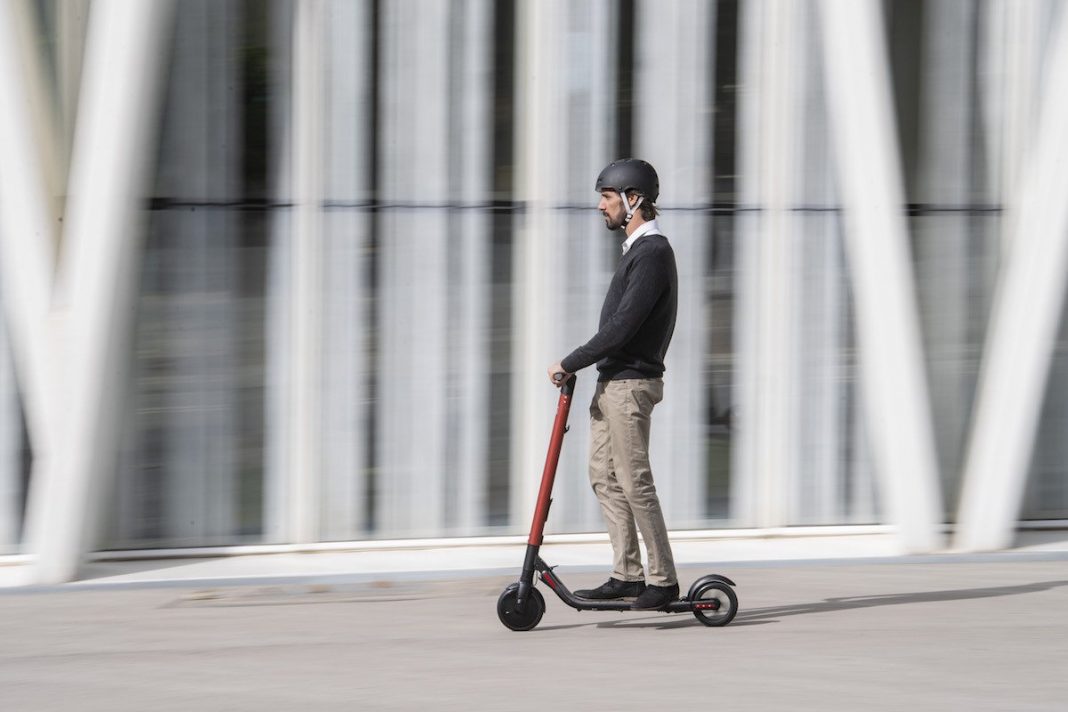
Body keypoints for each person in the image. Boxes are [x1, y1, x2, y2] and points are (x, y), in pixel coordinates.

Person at [547, 158, 679, 610]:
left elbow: (622, 328)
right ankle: (628, 574)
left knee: (634, 479)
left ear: (633, 200)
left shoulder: (653, 254)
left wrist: (571, 361)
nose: (601, 206)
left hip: (630, 384)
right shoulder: (636, 253)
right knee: (604, 476)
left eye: (607, 197)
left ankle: (662, 580)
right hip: (612, 382)